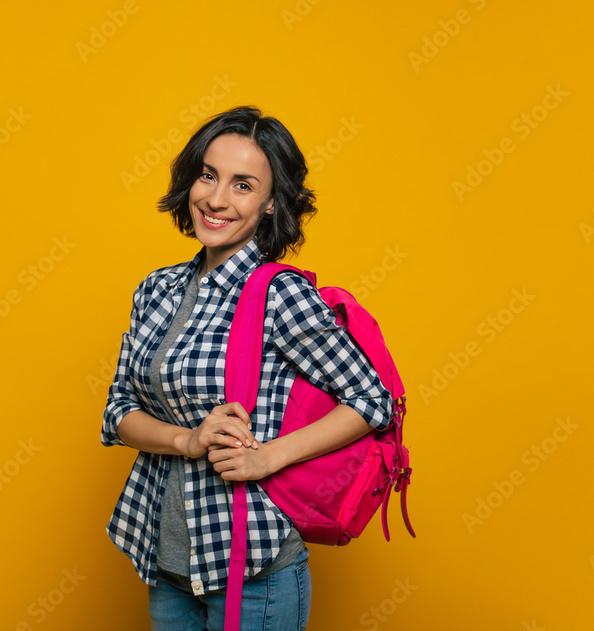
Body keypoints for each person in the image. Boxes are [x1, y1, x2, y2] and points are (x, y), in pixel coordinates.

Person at [101, 105, 393, 631]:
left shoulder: (279, 294)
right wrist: (188, 440)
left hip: (252, 568)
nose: (215, 199)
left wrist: (268, 458)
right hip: (165, 564)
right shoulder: (157, 289)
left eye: (242, 185)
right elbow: (117, 410)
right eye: (208, 176)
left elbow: (372, 400)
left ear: (270, 203)